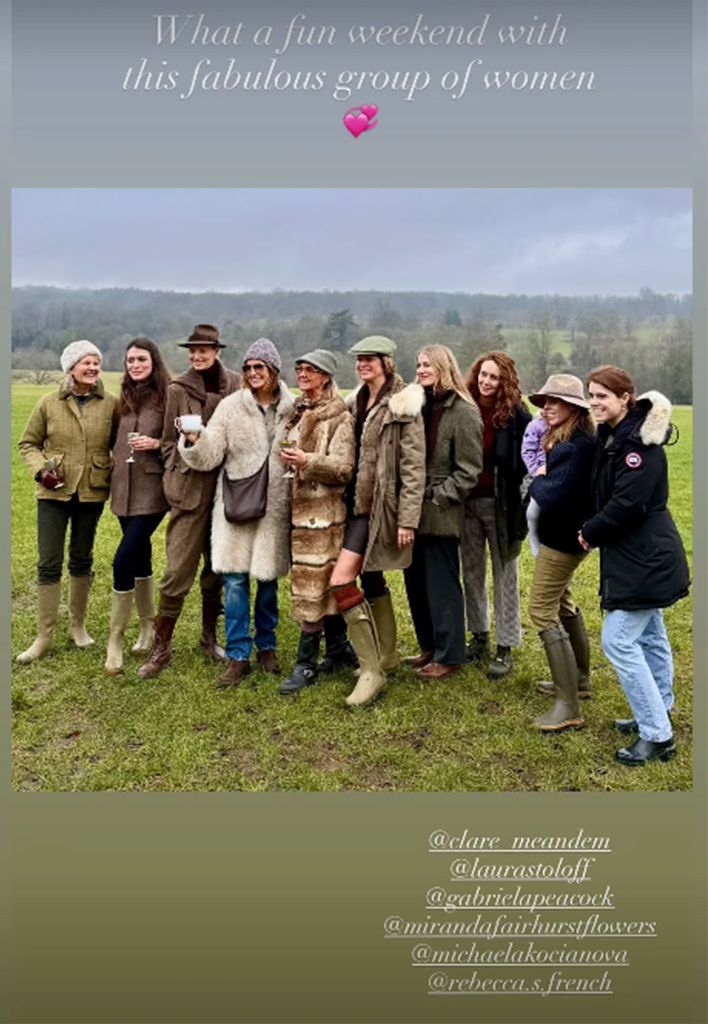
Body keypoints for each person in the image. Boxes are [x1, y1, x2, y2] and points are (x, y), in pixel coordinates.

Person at [579, 366, 690, 766]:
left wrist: (589, 532)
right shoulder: (614, 435)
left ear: (626, 398)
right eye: (591, 395)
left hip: (645, 556)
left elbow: (629, 503)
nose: (595, 402)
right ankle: (658, 708)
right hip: (638, 554)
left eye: (602, 396)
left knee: (618, 640)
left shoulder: (638, 445)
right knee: (651, 636)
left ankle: (658, 736)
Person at [178, 339, 295, 687]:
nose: (253, 373)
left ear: (273, 370)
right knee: (234, 582)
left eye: (260, 367)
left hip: (275, 506)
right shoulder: (231, 407)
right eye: (248, 367)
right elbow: (212, 451)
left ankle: (267, 647)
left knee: (268, 581)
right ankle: (238, 654)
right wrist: (194, 441)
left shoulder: (293, 408)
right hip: (236, 504)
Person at [326, 335, 426, 707]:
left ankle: (372, 671)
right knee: (372, 577)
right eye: (359, 359)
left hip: (378, 508)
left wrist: (407, 519)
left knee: (341, 580)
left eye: (370, 359)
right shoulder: (358, 402)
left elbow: (414, 467)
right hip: (351, 502)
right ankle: (386, 654)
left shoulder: (403, 404)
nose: (363, 364)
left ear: (387, 362)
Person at [139, 324, 241, 678]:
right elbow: (167, 441)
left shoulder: (236, 385)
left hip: (226, 489)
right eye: (193, 350)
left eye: (204, 350)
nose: (198, 355)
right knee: (177, 569)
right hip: (189, 489)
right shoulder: (178, 388)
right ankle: (161, 646)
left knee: (217, 569)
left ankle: (209, 636)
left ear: (217, 350)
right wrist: (174, 471)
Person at [17, 340, 118, 663]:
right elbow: (28, 443)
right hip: (53, 492)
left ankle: (78, 627)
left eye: (96, 363)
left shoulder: (111, 404)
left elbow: (123, 445)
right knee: (49, 561)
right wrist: (39, 472)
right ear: (71, 367)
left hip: (92, 491)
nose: (92, 368)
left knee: (81, 558)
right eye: (85, 363)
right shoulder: (49, 402)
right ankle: (44, 635)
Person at [278, 349, 356, 695]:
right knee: (321, 584)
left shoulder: (339, 417)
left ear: (326, 376)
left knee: (316, 586)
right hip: (298, 513)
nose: (303, 375)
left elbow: (344, 468)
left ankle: (305, 664)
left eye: (311, 370)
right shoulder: (297, 409)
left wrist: (307, 460)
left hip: (324, 517)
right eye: (300, 369)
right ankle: (339, 650)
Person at [403, 345, 483, 679]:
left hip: (439, 509)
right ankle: (429, 646)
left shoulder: (463, 411)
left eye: (427, 365)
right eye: (418, 364)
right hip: (412, 507)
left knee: (442, 585)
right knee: (416, 581)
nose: (420, 370)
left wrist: (438, 498)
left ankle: (449, 655)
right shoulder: (419, 405)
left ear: (443, 367)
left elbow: (469, 469)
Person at [526, 374, 596, 731]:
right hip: (568, 536)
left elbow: (551, 493)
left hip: (564, 539)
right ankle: (579, 680)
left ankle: (567, 705)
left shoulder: (575, 446)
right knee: (562, 601)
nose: (548, 407)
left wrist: (535, 479)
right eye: (545, 402)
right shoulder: (570, 438)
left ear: (574, 407)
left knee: (540, 609)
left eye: (556, 401)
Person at [461, 352, 531, 679]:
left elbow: (529, 463)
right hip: (467, 503)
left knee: (506, 576)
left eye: (494, 378)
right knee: (471, 572)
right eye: (483, 375)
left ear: (505, 381)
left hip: (501, 506)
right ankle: (479, 635)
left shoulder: (517, 415)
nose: (486, 382)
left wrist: (523, 506)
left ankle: (505, 645)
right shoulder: (464, 406)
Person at [105, 338, 171, 675]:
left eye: (141, 359)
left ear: (153, 361)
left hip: (153, 491)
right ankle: (147, 628)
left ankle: (114, 639)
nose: (135, 364)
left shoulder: (167, 395)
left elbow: (179, 439)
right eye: (130, 359)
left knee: (122, 560)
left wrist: (156, 443)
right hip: (122, 490)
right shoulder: (123, 400)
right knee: (141, 557)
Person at [521, 407, 548, 558]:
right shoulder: (535, 426)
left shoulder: (565, 427)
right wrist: (535, 470)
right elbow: (528, 450)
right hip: (538, 475)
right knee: (533, 510)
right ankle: (534, 539)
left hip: (558, 473)